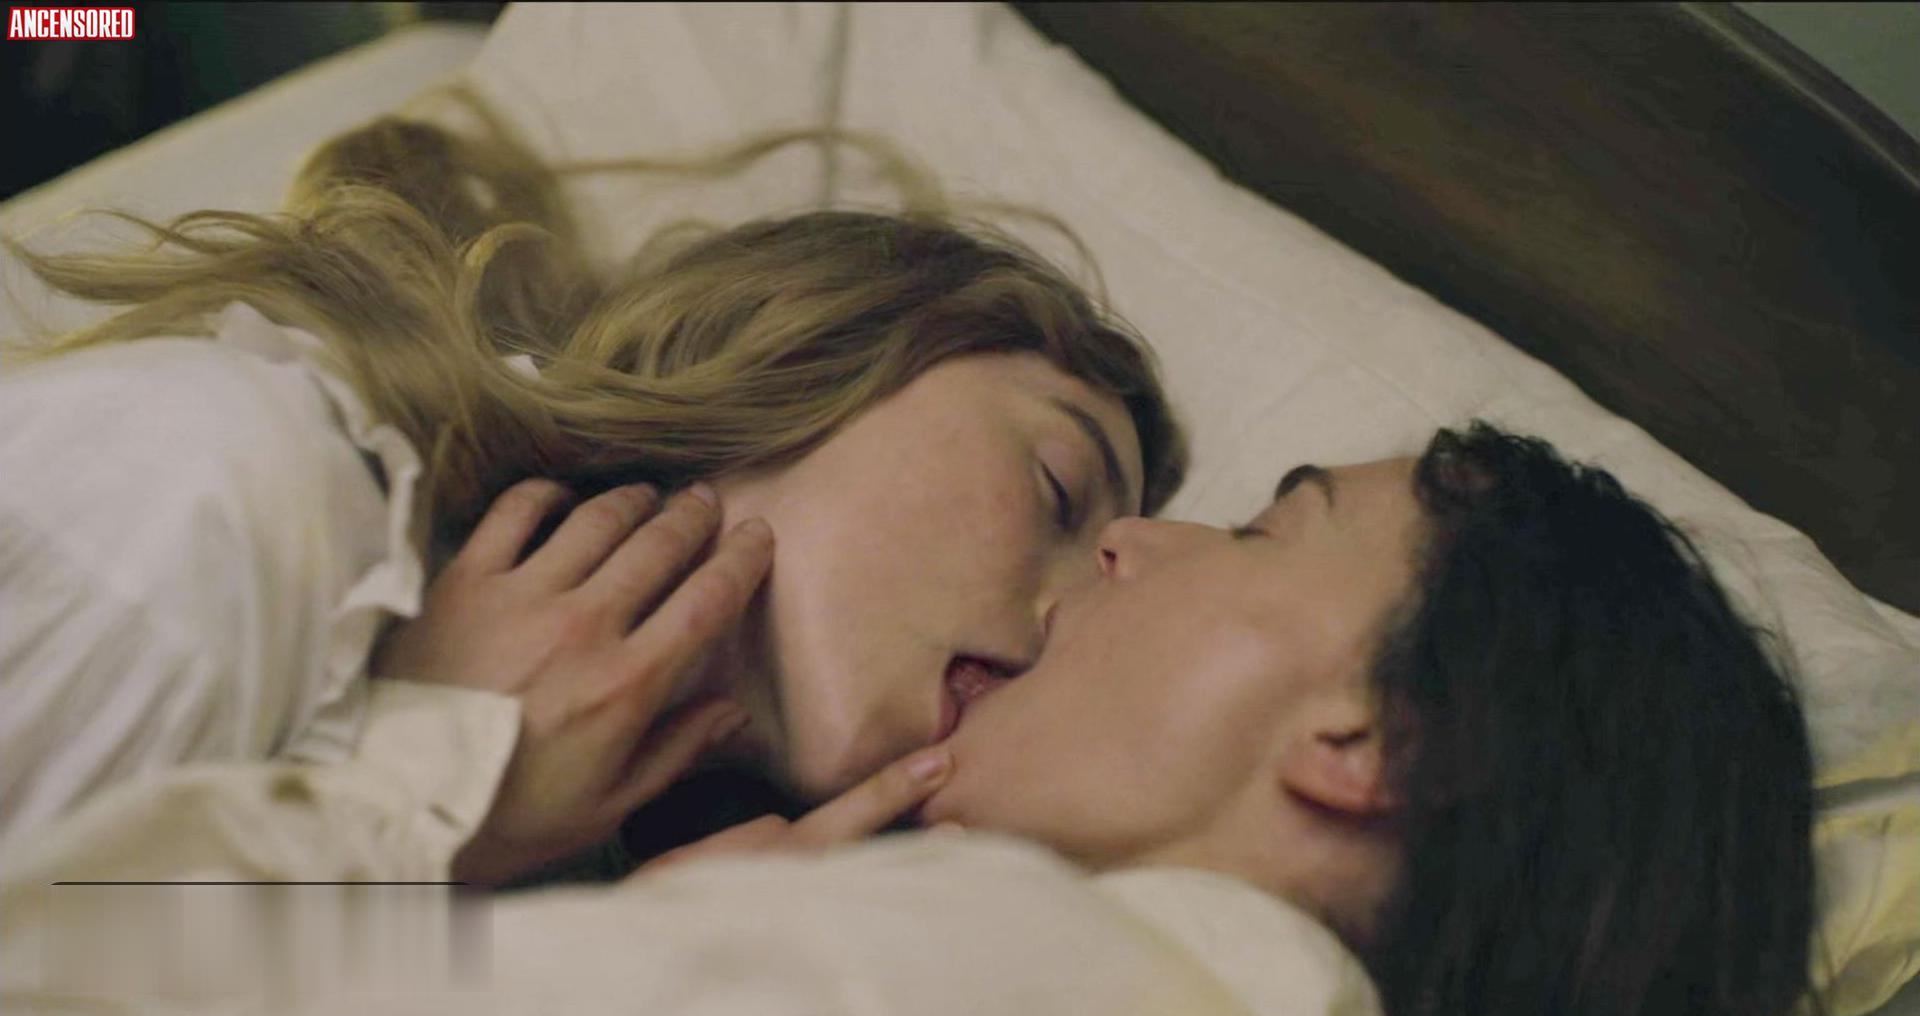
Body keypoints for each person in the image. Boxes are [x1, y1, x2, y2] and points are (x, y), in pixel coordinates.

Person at [0, 424, 1817, 1016]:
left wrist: (431, 784)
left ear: (1379, 746)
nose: (1133, 545)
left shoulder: (1007, 971)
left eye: (1267, 532)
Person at [0, 105, 1183, 882]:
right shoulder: (222, 497)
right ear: (821, 344)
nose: (1065, 622)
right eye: (1058, 485)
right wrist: (414, 803)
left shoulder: (618, 879)